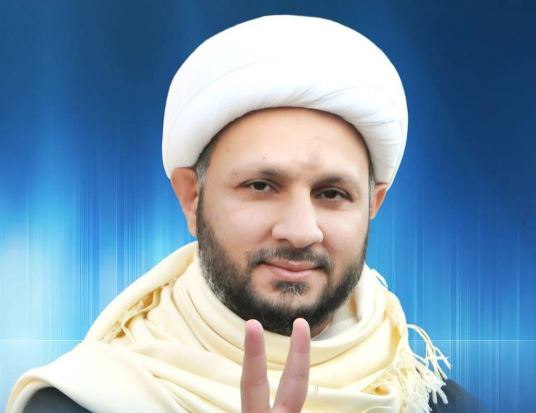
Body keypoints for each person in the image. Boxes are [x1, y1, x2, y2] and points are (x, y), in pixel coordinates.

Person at [6, 15, 483, 413]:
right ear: (192, 197)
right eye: (261, 186)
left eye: (332, 193)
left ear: (373, 206)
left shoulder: (432, 402)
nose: (300, 231)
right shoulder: (80, 402)